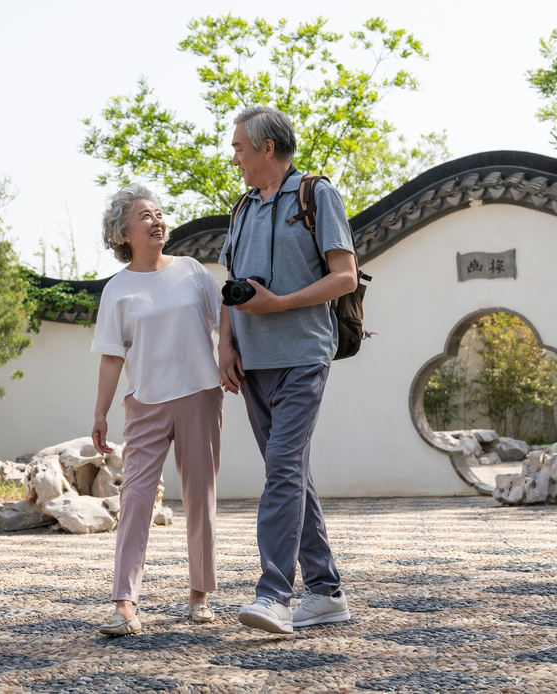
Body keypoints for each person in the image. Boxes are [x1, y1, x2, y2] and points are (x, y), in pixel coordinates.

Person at [218, 106, 356, 635]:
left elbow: (344, 277)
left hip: (303, 356)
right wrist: (226, 347)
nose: (235, 159)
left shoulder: (316, 194)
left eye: (239, 149)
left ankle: (274, 593)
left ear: (266, 149)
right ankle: (325, 592)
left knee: (281, 469)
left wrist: (279, 305)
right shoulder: (243, 209)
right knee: (292, 473)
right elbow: (229, 287)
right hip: (254, 365)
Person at [90, 183, 224, 636]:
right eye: (145, 216)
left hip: (199, 395)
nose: (158, 220)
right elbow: (112, 356)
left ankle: (200, 593)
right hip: (144, 403)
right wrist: (100, 413)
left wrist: (230, 365)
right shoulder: (117, 290)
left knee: (199, 497)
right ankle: (124, 603)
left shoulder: (192, 272)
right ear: (124, 233)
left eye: (160, 213)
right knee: (135, 500)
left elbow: (224, 324)